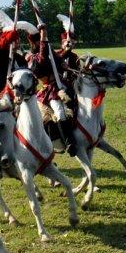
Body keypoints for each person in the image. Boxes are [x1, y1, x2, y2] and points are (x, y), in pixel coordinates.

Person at [34, 25, 79, 156]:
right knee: (60, 112)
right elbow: (44, 57)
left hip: (63, 85)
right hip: (50, 90)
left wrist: (64, 64)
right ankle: (68, 142)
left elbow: (59, 60)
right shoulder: (34, 57)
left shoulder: (51, 53)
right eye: (41, 41)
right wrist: (43, 36)